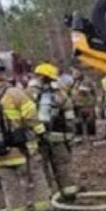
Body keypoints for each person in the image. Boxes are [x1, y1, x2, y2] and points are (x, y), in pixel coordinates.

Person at [0, 58, 52, 211]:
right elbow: (31, 116)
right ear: (1, 73)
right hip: (21, 149)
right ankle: (42, 209)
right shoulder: (14, 93)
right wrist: (41, 133)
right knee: (36, 176)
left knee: (9, 185)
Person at [32, 63, 79, 200]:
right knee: (62, 167)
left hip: (39, 139)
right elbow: (69, 117)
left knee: (42, 169)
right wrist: (70, 136)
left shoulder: (29, 93)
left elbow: (27, 118)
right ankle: (69, 195)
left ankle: (48, 198)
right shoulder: (61, 93)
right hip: (59, 139)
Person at [70, 73, 97, 142]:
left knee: (89, 120)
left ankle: (90, 136)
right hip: (77, 104)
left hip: (87, 103)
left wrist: (93, 102)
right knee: (77, 121)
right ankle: (79, 136)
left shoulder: (88, 81)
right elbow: (71, 92)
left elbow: (94, 92)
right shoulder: (73, 82)